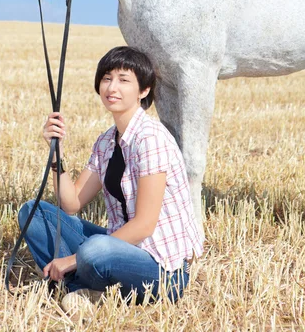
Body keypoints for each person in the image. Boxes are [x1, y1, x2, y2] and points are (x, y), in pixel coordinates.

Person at [18, 46, 203, 318]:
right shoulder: (106, 141)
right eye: (106, 78)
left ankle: (80, 284)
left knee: (94, 251)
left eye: (123, 79)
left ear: (144, 90)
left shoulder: (151, 139)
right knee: (33, 212)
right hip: (121, 251)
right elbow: (72, 203)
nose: (112, 87)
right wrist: (55, 152)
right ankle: (86, 289)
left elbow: (144, 225)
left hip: (162, 270)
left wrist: (73, 258)